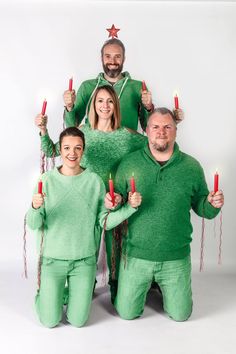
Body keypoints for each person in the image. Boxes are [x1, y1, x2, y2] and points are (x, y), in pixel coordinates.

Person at [107, 108, 224, 321]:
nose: (161, 131)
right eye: (156, 127)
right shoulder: (130, 163)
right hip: (135, 256)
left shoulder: (191, 166)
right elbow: (118, 203)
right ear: (147, 131)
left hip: (175, 257)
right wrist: (113, 202)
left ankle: (163, 286)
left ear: (176, 131)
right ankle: (141, 284)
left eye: (167, 127)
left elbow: (203, 208)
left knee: (181, 316)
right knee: (126, 314)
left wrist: (212, 204)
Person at [35, 85, 147, 303]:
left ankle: (117, 288)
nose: (105, 106)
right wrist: (43, 130)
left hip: (114, 202)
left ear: (116, 106)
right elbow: (51, 150)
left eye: (110, 101)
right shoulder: (82, 132)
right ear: (92, 105)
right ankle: (84, 284)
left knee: (115, 250)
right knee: (86, 248)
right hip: (84, 201)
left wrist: (174, 125)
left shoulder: (128, 136)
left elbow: (153, 144)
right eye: (100, 101)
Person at [26, 127, 141, 328]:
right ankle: (43, 294)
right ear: (60, 150)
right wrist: (35, 207)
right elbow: (34, 224)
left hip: (84, 262)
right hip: (53, 260)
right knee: (50, 321)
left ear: (83, 150)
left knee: (78, 321)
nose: (72, 153)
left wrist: (130, 208)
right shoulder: (46, 181)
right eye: (67, 148)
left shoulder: (94, 182)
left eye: (77, 148)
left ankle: (63, 294)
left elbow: (104, 221)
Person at [63, 38, 157, 131]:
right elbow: (72, 127)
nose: (112, 61)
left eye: (117, 56)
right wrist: (69, 106)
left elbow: (147, 127)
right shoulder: (87, 87)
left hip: (127, 145)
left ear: (124, 59)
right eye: (108, 56)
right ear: (101, 58)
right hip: (94, 145)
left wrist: (148, 108)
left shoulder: (137, 87)